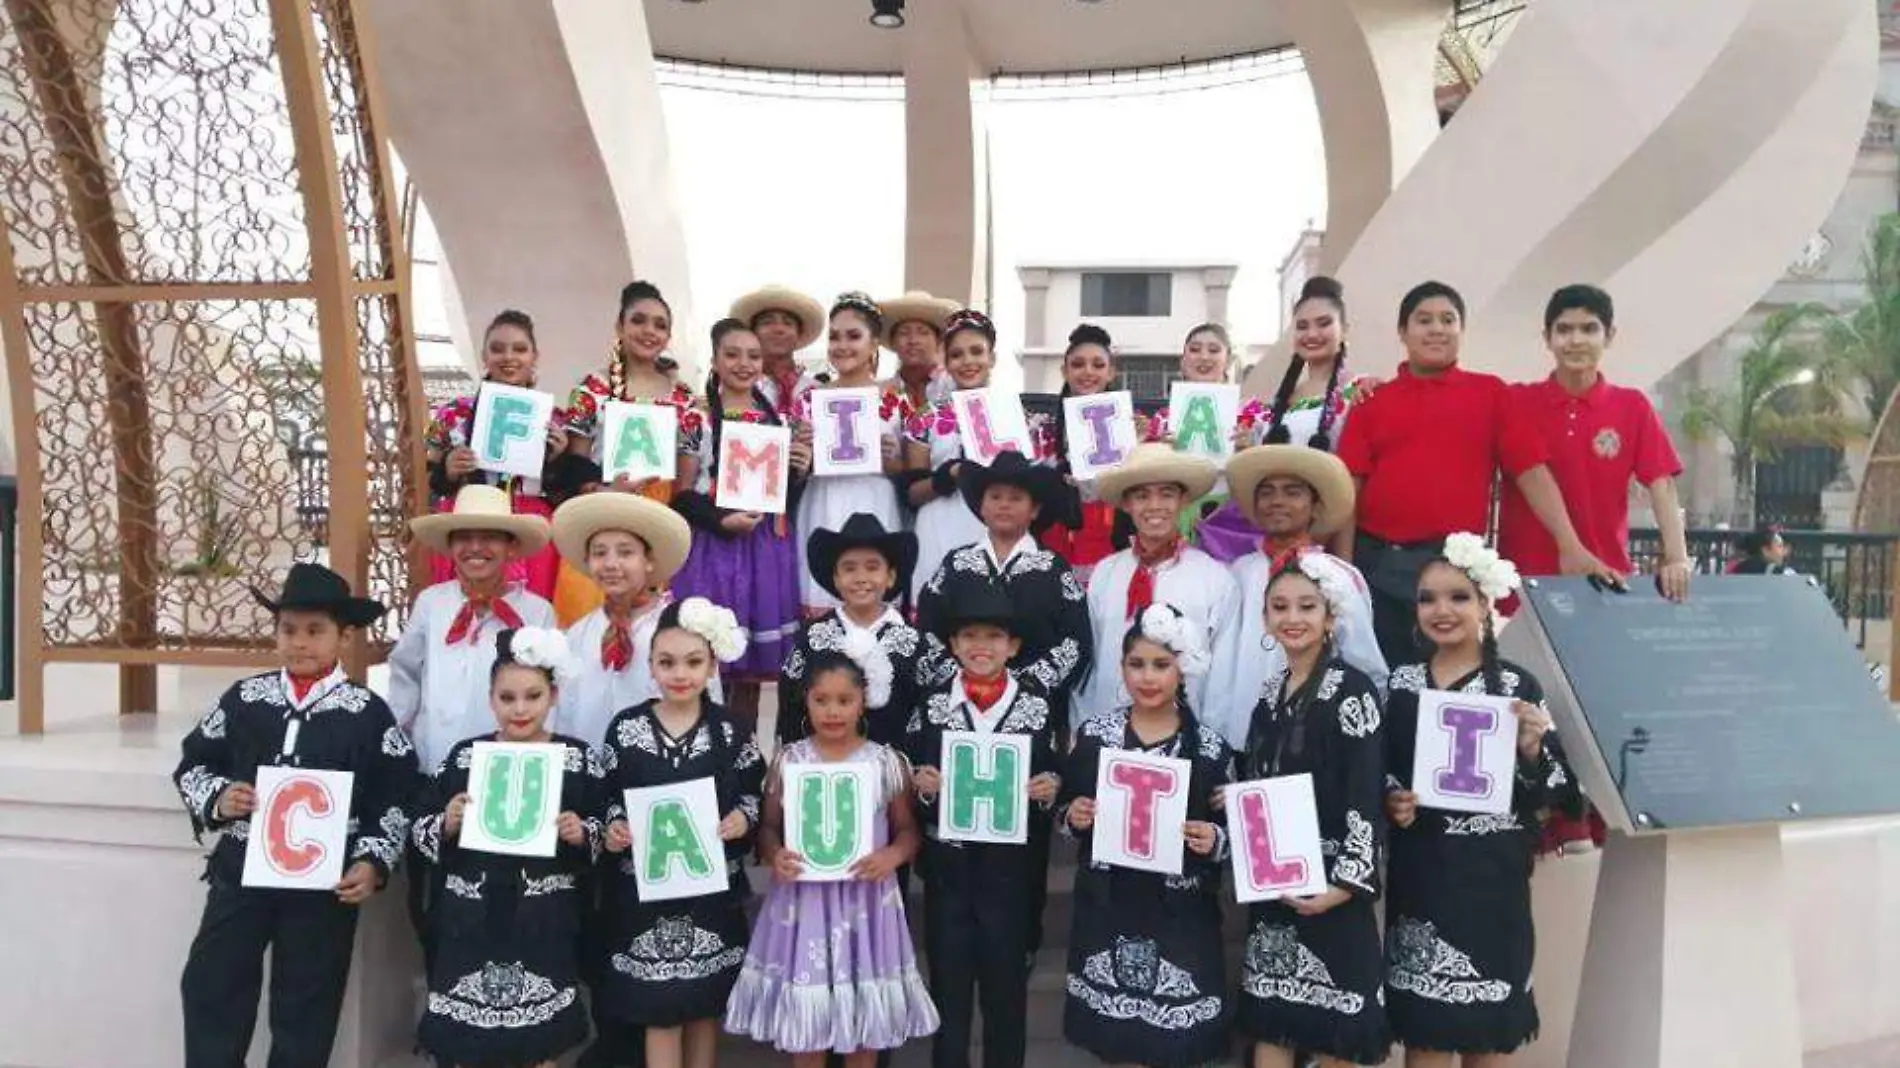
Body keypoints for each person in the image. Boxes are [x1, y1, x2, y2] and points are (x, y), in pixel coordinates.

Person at [174, 564, 415, 1068]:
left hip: (322, 886)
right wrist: (220, 797)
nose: (299, 643)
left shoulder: (366, 713)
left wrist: (372, 861)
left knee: (307, 1000)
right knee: (212, 982)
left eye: (314, 631)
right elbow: (194, 762)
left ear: (343, 637)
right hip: (242, 872)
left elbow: (394, 797)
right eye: (288, 630)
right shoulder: (245, 701)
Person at [1336, 280, 1617, 666]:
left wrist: (1570, 544)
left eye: (1448, 320)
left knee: (1451, 686)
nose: (1436, 329)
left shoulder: (1490, 395)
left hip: (1455, 569)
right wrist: (1345, 571)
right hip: (1380, 566)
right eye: (1423, 320)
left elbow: (1531, 472)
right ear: (1403, 332)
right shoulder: (1373, 402)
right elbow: (1349, 490)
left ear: (1461, 331)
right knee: (1383, 683)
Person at [1382, 534, 1582, 1065]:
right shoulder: (1399, 687)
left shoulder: (1517, 688)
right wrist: (1392, 800)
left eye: (1458, 597)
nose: (1441, 610)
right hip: (1421, 878)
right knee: (1425, 1033)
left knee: (1487, 1033)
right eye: (1428, 598)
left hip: (1492, 883)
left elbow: (1559, 793)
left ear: (1486, 604)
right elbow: (1376, 773)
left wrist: (1536, 746)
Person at [723, 637, 940, 1065]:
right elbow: (767, 828)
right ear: (806, 702)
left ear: (864, 702)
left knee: (865, 1020)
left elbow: (908, 831)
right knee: (808, 1022)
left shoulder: (885, 762)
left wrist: (891, 858)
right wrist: (775, 854)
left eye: (844, 700)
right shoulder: (789, 761)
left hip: (866, 902)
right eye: (822, 700)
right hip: (805, 904)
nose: (833, 710)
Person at [411, 627, 599, 1068]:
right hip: (470, 918)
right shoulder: (464, 757)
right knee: (468, 1045)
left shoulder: (578, 758)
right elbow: (418, 826)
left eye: (532, 696)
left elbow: (608, 832)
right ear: (490, 699)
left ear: (553, 697)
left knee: (539, 1048)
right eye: (507, 697)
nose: (519, 709)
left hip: (542, 920)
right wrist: (446, 823)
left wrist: (582, 831)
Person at [1057, 604, 1231, 1068]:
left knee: (1170, 1043)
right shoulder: (1094, 737)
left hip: (1179, 913)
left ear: (1182, 670)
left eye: (1161, 664)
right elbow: (1063, 810)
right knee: (1117, 1039)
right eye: (1137, 664)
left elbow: (1234, 833)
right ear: (1121, 668)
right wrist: (1075, 814)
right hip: (1110, 904)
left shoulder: (1210, 749)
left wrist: (1211, 839)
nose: (1148, 677)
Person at [1233, 561, 1390, 1068]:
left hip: (1335, 887)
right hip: (1276, 882)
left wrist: (1345, 885)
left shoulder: (1353, 689)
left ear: (1330, 617)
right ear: (1264, 618)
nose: (1292, 617)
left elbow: (1366, 789)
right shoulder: (1268, 693)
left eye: (1307, 606)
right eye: (1280, 607)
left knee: (1338, 1030)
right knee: (1272, 1020)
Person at [598, 598, 765, 1068]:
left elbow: (754, 793)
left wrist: (742, 820)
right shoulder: (625, 729)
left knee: (703, 1008)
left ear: (712, 664)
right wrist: (614, 828)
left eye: (693, 662)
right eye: (666, 662)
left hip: (710, 894)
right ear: (649, 665)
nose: (680, 674)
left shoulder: (732, 731)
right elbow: (607, 796)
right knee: (660, 1012)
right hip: (645, 895)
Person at [907, 581, 1063, 1068]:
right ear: (952, 644)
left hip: (1011, 874)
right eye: (969, 635)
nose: (981, 647)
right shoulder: (933, 704)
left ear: (1013, 646)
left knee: (1006, 997)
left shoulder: (1035, 704)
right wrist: (922, 785)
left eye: (994, 636)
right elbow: (909, 772)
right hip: (950, 872)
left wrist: (1049, 788)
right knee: (948, 996)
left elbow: (1052, 769)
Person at [1498, 284, 1691, 602]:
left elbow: (1662, 484)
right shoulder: (1518, 401)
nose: (1576, 340)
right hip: (1527, 584)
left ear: (1609, 336)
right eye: (1564, 330)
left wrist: (1677, 558)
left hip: (1606, 578)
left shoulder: (1631, 406)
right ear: (1547, 338)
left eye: (1589, 329)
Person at [672, 318, 808, 736]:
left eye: (753, 356)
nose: (743, 364)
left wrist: (799, 473)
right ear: (714, 360)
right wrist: (721, 519)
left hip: (764, 547)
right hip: (714, 548)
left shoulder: (778, 423)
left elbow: (784, 498)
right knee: (710, 659)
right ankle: (704, 750)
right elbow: (681, 492)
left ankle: (743, 756)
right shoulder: (698, 420)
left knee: (749, 672)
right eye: (732, 354)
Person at [1209, 444, 1385, 752]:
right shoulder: (1237, 573)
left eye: (1292, 492)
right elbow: (1222, 661)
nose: (1277, 501)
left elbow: (1364, 663)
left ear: (1315, 506)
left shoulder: (1337, 577)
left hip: (1315, 741)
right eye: (1267, 492)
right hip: (1238, 736)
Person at [559, 280, 697, 625]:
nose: (649, 331)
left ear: (668, 336)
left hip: (660, 517)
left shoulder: (683, 397)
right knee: (591, 613)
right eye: (639, 321)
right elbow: (576, 460)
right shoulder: (593, 388)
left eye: (660, 325)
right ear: (620, 326)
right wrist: (605, 492)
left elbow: (686, 475)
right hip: (605, 511)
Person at [392, 484, 558, 771]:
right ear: (450, 547)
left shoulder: (536, 611)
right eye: (464, 538)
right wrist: (395, 742)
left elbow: (552, 692)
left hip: (507, 763)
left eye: (490, 537)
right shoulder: (432, 603)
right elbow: (405, 674)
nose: (476, 548)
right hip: (435, 757)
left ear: (511, 547)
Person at [1074, 443, 1241, 728]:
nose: (1154, 506)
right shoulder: (1106, 573)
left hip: (1185, 736)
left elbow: (1222, 676)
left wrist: (1210, 742)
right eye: (1141, 496)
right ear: (1126, 504)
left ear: (1183, 500)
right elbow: (1094, 660)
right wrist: (1085, 727)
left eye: (1167, 494)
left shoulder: (1214, 579)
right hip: (1110, 733)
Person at [904, 307, 1059, 598]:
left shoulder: (1022, 418)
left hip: (1001, 539)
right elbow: (911, 493)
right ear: (946, 362)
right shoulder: (926, 418)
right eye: (957, 354)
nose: (968, 361)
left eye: (977, 351)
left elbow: (1040, 490)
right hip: (938, 534)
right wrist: (949, 476)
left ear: (992, 358)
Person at [915, 450, 1093, 701]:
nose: (1004, 504)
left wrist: (1029, 686)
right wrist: (958, 678)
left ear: (1034, 510)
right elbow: (927, 627)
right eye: (995, 496)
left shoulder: (1054, 568)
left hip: (1033, 703)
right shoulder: (955, 564)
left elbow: (1075, 639)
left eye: (1016, 498)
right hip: (959, 700)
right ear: (982, 507)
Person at [548, 489, 714, 748]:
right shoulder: (579, 634)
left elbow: (708, 707)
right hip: (592, 773)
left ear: (648, 561)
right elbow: (563, 714)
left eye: (625, 553)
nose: (611, 564)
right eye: (600, 553)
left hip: (657, 776)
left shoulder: (680, 630)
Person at [423, 309, 570, 601]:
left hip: (530, 525)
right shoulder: (454, 413)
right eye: (497, 348)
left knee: (528, 610)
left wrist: (559, 458)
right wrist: (449, 470)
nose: (508, 357)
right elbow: (427, 477)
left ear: (534, 356)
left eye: (520, 349)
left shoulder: (554, 418)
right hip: (470, 520)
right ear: (484, 355)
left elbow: (564, 489)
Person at [793, 292, 913, 615]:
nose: (842, 345)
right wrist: (801, 457)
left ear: (874, 343)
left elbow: (907, 470)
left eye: (854, 336)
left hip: (875, 501)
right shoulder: (808, 399)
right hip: (824, 502)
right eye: (834, 337)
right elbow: (796, 470)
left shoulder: (895, 401)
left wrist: (894, 461)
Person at [781, 513, 943, 749]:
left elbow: (931, 712)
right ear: (836, 578)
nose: (861, 578)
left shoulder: (916, 644)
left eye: (872, 567)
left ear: (890, 576)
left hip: (896, 773)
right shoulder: (813, 639)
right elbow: (790, 709)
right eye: (849, 569)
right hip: (826, 769)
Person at [1138, 321, 1265, 561]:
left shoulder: (1254, 415)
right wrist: (1158, 452)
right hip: (1175, 516)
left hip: (1232, 522)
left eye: (1214, 350)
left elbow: (1268, 475)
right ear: (1182, 360)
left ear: (1228, 360)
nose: (1204, 357)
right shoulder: (1162, 420)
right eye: (1195, 350)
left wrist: (1250, 451)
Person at [1041, 323, 1135, 583]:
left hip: (1113, 539)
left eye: (1098, 365)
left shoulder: (1131, 426)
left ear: (1111, 372)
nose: (1088, 372)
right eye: (1078, 364)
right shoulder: (1042, 428)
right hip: (1060, 539)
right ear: (1064, 370)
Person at [730, 284, 826, 419]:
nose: (779, 329)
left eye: (788, 323)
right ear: (752, 334)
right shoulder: (733, 391)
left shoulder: (819, 391)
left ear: (798, 334)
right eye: (767, 322)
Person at [878, 290, 958, 415]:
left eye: (923, 332)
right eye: (904, 333)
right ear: (893, 342)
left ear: (938, 341)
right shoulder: (879, 394)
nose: (913, 341)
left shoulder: (955, 386)